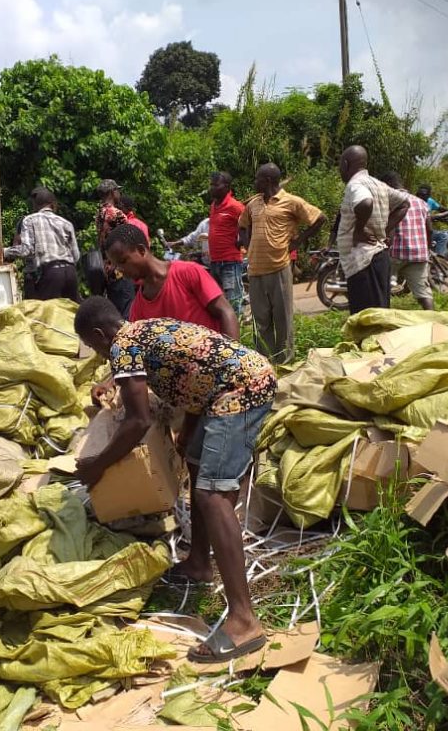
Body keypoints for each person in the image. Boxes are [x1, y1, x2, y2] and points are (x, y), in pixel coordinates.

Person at [73, 297, 276, 664]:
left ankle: (244, 621)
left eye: (94, 345)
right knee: (197, 463)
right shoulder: (144, 329)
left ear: (101, 334)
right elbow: (199, 377)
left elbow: (137, 422)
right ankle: (199, 562)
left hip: (242, 392)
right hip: (232, 386)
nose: (100, 354)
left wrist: (96, 466)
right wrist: (189, 435)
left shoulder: (123, 346)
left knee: (214, 495)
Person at [237, 163, 325, 365]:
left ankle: (285, 364)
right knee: (261, 322)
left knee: (283, 320)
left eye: (258, 178)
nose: (254, 182)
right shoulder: (253, 204)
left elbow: (319, 218)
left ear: (268, 180)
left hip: (279, 268)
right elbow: (242, 225)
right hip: (256, 271)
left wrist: (297, 241)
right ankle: (265, 364)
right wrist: (247, 243)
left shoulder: (291, 202)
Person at [104, 222, 238, 338]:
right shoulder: (138, 310)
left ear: (141, 250)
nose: (119, 269)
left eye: (122, 261)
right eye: (115, 265)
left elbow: (226, 312)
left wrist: (230, 361)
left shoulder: (187, 272)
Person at [338, 146, 410, 314]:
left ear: (346, 164)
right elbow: (404, 203)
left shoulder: (354, 185)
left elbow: (365, 203)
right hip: (378, 258)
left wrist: (359, 230)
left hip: (363, 263)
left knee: (367, 319)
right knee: (379, 316)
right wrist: (384, 229)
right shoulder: (379, 184)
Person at [1, 186, 80, 301]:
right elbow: (76, 256)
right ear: (53, 205)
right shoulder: (66, 223)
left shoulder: (29, 220)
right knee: (71, 312)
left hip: (50, 273)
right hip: (70, 273)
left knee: (45, 313)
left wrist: (3, 251)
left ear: (35, 205)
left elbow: (26, 250)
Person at [381, 172, 434, 311]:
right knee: (424, 294)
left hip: (397, 253)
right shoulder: (422, 203)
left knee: (382, 287)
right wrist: (427, 249)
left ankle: (383, 318)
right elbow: (429, 229)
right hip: (419, 254)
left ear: (387, 185)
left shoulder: (389, 201)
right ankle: (432, 321)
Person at [206, 172, 247, 315]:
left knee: (234, 303)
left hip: (230, 262)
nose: (212, 188)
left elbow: (251, 224)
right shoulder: (214, 205)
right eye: (211, 185)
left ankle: (237, 335)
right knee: (218, 303)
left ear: (226, 187)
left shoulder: (235, 206)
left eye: (216, 185)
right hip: (215, 262)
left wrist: (241, 241)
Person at [95, 178, 136, 318]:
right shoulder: (117, 214)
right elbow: (128, 240)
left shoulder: (100, 213)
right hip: (120, 268)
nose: (119, 193)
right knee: (126, 309)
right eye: (117, 190)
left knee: (115, 309)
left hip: (106, 268)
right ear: (112, 192)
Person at [417, 184, 448, 256]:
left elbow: (441, 208)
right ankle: (440, 259)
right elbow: (429, 218)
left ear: (428, 195)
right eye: (420, 194)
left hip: (427, 230)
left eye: (424, 195)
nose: (422, 197)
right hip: (420, 232)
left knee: (446, 233)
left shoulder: (430, 201)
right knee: (443, 236)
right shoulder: (415, 202)